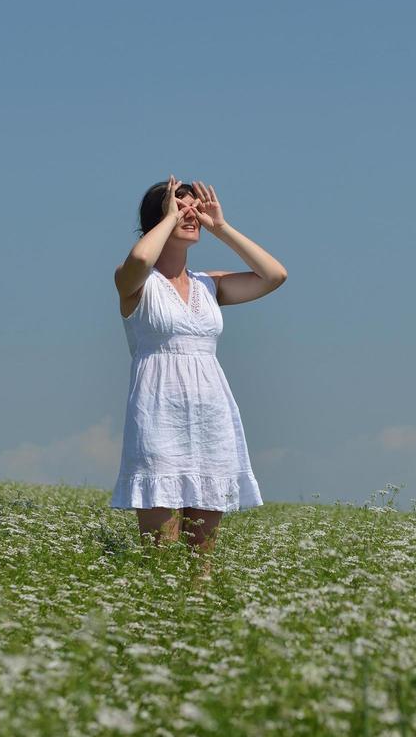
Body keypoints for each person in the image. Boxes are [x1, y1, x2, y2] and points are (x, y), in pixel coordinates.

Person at [110, 175, 288, 556]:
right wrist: (169, 218)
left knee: (201, 557)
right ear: (157, 220)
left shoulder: (210, 285)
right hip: (158, 416)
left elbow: (274, 275)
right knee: (161, 550)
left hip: (210, 416)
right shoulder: (136, 282)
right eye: (179, 204)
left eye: (193, 205)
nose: (190, 212)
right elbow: (141, 258)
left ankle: (198, 610)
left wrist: (220, 228)